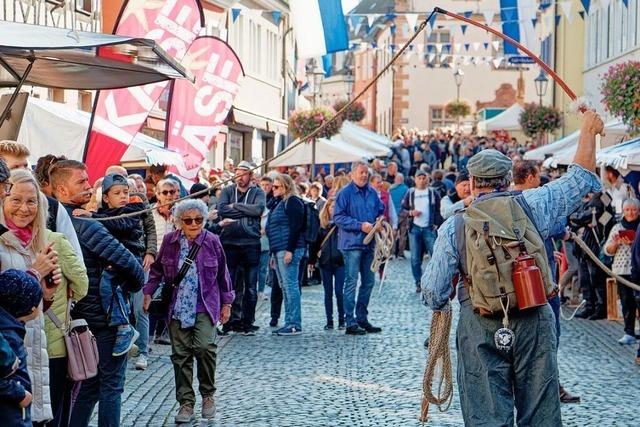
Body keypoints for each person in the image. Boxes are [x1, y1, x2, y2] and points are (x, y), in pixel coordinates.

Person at [422, 111, 605, 426]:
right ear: (507, 180)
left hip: (480, 323)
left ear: (472, 182)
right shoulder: (533, 204)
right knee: (540, 413)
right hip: (532, 317)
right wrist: (587, 131)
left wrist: (448, 295)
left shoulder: (454, 226)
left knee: (487, 415)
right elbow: (579, 181)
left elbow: (433, 292)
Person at [49, 160, 145, 427]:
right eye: (81, 181)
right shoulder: (85, 225)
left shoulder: (52, 223)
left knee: (88, 386)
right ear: (62, 190)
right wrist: (126, 283)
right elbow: (136, 271)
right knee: (110, 385)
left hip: (76, 321)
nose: (89, 186)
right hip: (104, 320)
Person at [143, 199, 234, 424]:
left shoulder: (212, 241)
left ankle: (208, 395)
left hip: (205, 304)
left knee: (205, 347)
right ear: (179, 222)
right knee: (180, 356)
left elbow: (223, 274)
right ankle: (186, 403)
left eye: (199, 220)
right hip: (177, 306)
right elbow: (157, 270)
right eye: (188, 220)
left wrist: (227, 303)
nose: (194, 224)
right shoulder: (170, 241)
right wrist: (148, 292)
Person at [0, 170, 67, 425]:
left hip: (33, 342)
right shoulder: (1, 242)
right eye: (16, 200)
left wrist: (46, 295)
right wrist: (36, 272)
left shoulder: (37, 241)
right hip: (9, 350)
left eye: (31, 201)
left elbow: (33, 307)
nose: (24, 208)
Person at [512, 160, 580, 404]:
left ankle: (524, 387)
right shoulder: (539, 200)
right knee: (550, 337)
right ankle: (550, 386)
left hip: (516, 283)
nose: (540, 179)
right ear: (530, 176)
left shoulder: (507, 200)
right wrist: (565, 233)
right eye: (538, 175)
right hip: (541, 281)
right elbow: (557, 225)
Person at [334, 160, 385, 335]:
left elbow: (380, 210)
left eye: (366, 173)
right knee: (351, 282)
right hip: (351, 245)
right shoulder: (344, 193)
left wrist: (379, 221)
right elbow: (338, 217)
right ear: (352, 174)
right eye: (361, 172)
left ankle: (362, 318)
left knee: (369, 282)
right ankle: (350, 321)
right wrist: (359, 225)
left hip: (369, 245)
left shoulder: (372, 192)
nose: (364, 175)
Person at [217, 161, 265, 335]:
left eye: (243, 174)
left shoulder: (258, 192)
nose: (240, 177)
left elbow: (258, 210)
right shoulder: (227, 191)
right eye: (237, 173)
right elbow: (222, 210)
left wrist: (235, 206)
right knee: (229, 284)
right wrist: (246, 210)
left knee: (250, 287)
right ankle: (228, 322)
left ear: (250, 176)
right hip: (229, 243)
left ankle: (247, 322)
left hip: (251, 244)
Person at [0, 270, 43, 427]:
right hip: (11, 416)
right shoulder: (9, 336)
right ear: (32, 309)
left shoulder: (9, 327)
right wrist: (19, 394)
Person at [265, 174, 306, 335]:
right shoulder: (280, 202)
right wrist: (273, 254)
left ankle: (294, 324)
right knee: (285, 287)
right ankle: (289, 322)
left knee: (290, 286)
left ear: (286, 186)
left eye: (276, 187)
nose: (273, 190)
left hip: (288, 249)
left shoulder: (293, 201)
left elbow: (296, 227)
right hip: (279, 249)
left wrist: (290, 250)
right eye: (273, 187)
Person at [604, 198, 640, 345]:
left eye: (633, 210)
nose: (630, 213)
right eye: (627, 210)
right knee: (626, 301)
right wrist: (616, 243)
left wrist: (633, 244)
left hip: (637, 269)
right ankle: (629, 331)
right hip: (622, 270)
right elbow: (607, 251)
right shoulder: (617, 227)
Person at [402, 170, 442, 293]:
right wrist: (410, 213)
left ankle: (435, 281)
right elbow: (402, 210)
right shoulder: (410, 193)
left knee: (435, 255)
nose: (421, 180)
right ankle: (418, 282)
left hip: (429, 228)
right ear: (415, 179)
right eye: (419, 178)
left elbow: (439, 210)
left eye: (424, 178)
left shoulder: (433, 192)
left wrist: (436, 223)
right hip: (414, 228)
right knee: (415, 258)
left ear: (428, 179)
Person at [311, 197, 345, 330]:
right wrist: (312, 260)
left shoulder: (343, 225)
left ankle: (342, 320)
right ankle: (329, 321)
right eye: (331, 207)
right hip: (325, 263)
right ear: (327, 209)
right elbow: (315, 244)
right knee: (328, 293)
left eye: (336, 207)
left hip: (340, 262)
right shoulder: (321, 225)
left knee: (339, 292)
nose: (333, 209)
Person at [390, 174, 409, 257]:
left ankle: (391, 252)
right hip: (403, 214)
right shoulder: (406, 189)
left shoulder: (390, 189)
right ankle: (400, 253)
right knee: (403, 235)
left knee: (392, 234)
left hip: (393, 214)